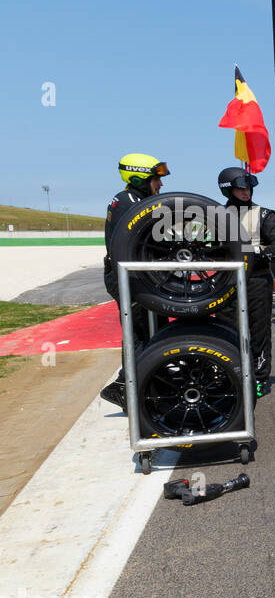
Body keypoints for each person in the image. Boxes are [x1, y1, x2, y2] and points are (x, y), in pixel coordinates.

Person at [99, 153, 169, 409]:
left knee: (154, 331)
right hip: (129, 278)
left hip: (136, 277)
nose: (160, 185)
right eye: (155, 180)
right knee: (140, 333)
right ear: (139, 178)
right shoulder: (131, 203)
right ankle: (123, 389)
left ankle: (147, 385)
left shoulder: (133, 199)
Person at [216, 167, 275, 398]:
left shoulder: (264, 214)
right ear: (228, 189)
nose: (246, 191)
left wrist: (250, 250)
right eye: (241, 187)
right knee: (226, 330)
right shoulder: (215, 215)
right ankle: (228, 373)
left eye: (248, 187)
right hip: (226, 282)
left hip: (257, 280)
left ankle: (260, 377)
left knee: (258, 331)